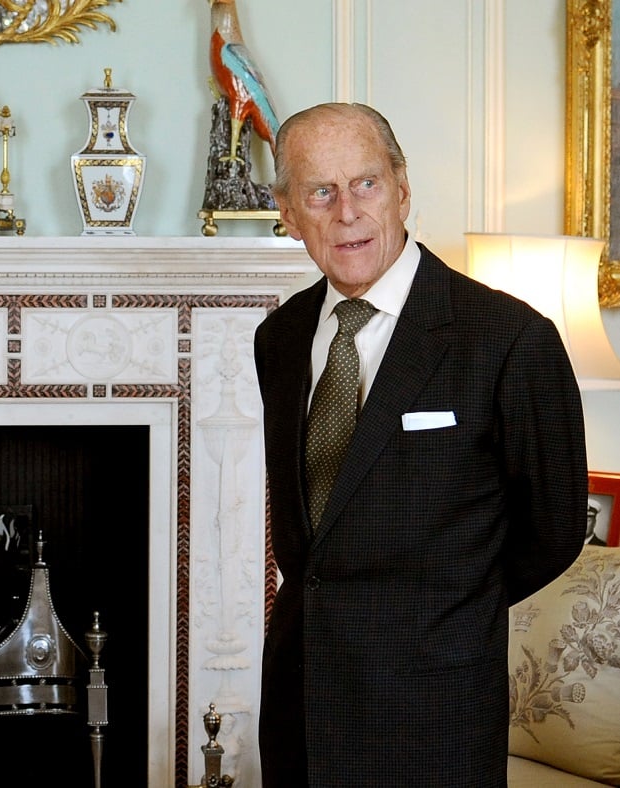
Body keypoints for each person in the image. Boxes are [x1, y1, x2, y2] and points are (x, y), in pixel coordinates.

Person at [253, 103, 587, 786]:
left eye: (365, 184)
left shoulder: (507, 340)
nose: (346, 211)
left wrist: (439, 608)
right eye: (320, 191)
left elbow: (551, 532)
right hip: (299, 701)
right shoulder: (279, 338)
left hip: (432, 706)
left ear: (401, 189)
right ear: (287, 212)